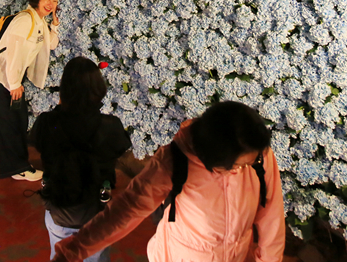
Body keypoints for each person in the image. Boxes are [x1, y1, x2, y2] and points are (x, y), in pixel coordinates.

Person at [51, 101, 285, 262]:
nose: (245, 169)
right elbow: (126, 210)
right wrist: (74, 250)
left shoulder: (258, 157)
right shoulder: (175, 161)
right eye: (237, 166)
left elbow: (271, 214)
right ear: (216, 157)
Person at [30, 57, 132, 262]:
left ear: (64, 89)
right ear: (98, 88)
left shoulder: (47, 123)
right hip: (96, 213)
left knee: (60, 256)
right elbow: (120, 147)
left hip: (59, 209)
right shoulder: (110, 126)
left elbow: (37, 142)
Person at [0, 0, 60, 181]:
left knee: (16, 123)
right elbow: (13, 55)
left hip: (10, 80)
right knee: (8, 126)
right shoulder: (25, 20)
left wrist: (54, 24)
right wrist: (15, 84)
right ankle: (17, 168)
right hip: (1, 80)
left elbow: (51, 44)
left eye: (54, 0)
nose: (50, 3)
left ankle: (17, 167)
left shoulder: (39, 22)